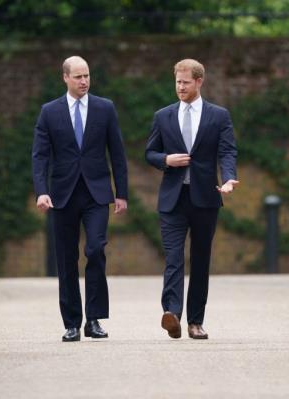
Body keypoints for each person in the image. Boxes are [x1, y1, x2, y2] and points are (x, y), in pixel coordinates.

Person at [32, 56, 128, 342]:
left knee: (96, 250)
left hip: (96, 193)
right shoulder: (49, 112)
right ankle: (72, 323)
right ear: (65, 78)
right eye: (78, 77)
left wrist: (121, 193)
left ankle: (94, 319)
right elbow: (40, 156)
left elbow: (118, 153)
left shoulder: (104, 108)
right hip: (62, 194)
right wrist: (41, 190)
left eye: (87, 76)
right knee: (66, 258)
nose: (84, 81)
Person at [145, 59, 238, 339]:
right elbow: (150, 153)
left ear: (199, 82)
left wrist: (229, 178)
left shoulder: (218, 116)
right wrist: (166, 159)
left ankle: (195, 321)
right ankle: (172, 314)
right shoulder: (163, 116)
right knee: (173, 258)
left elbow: (227, 151)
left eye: (185, 82)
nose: (180, 87)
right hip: (173, 199)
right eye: (177, 82)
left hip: (205, 198)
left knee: (200, 260)